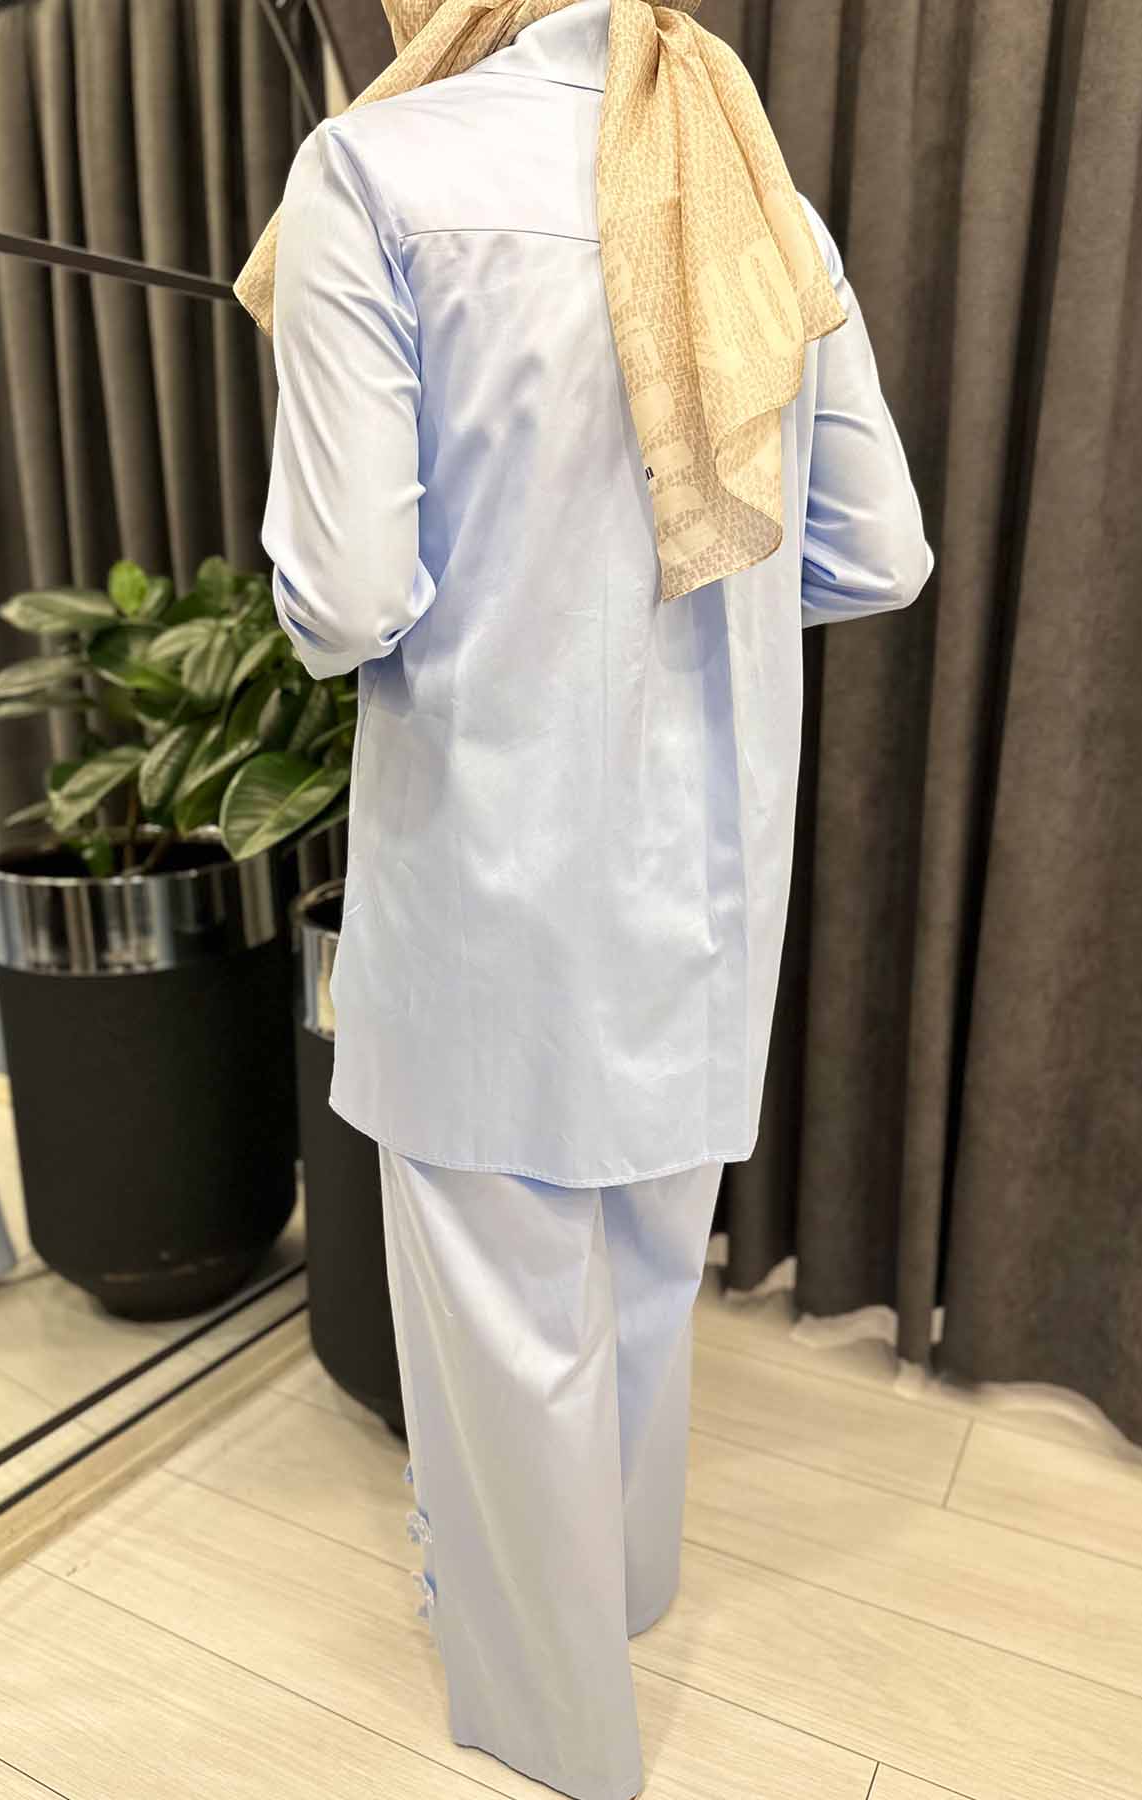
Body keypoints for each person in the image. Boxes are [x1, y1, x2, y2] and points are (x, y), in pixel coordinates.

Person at [244, 0, 933, 1794]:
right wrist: (682, 612)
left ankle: (555, 1734)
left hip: (490, 865)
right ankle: (621, 1595)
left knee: (499, 1305)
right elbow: (879, 550)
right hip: (707, 872)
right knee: (639, 1273)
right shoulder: (749, 180)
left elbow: (343, 594)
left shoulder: (372, 171)